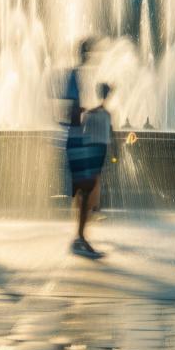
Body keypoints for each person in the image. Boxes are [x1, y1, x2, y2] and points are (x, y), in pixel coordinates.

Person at [61, 41, 105, 258]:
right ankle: (79, 238)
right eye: (90, 51)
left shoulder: (75, 75)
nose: (92, 56)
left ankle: (80, 237)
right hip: (76, 139)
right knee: (87, 187)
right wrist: (88, 120)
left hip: (75, 138)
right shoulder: (74, 75)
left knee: (83, 188)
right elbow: (72, 111)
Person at [83, 83, 115, 228]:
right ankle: (92, 208)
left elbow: (84, 132)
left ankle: (92, 208)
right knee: (95, 178)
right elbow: (111, 134)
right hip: (99, 147)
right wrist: (115, 152)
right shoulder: (104, 114)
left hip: (94, 146)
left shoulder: (92, 113)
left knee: (94, 177)